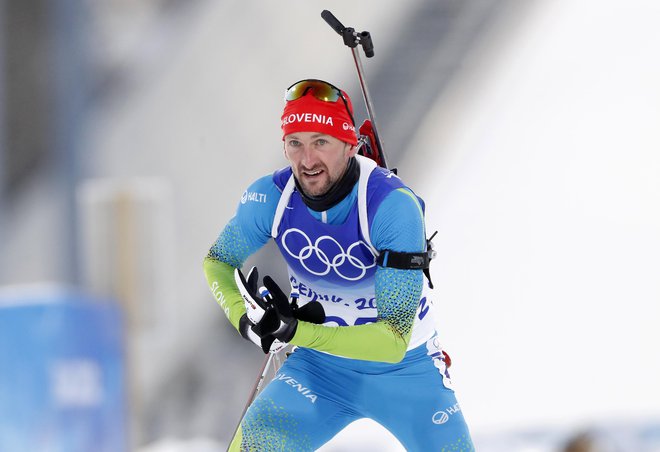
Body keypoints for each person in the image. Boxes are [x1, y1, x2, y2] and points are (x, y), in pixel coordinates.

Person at [203, 79, 474, 451]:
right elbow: (216, 262)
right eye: (295, 143)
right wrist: (246, 321)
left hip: (406, 374)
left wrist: (293, 331)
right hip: (318, 372)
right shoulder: (270, 197)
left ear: (349, 144)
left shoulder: (391, 206)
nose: (307, 160)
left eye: (321, 142)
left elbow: (391, 341)